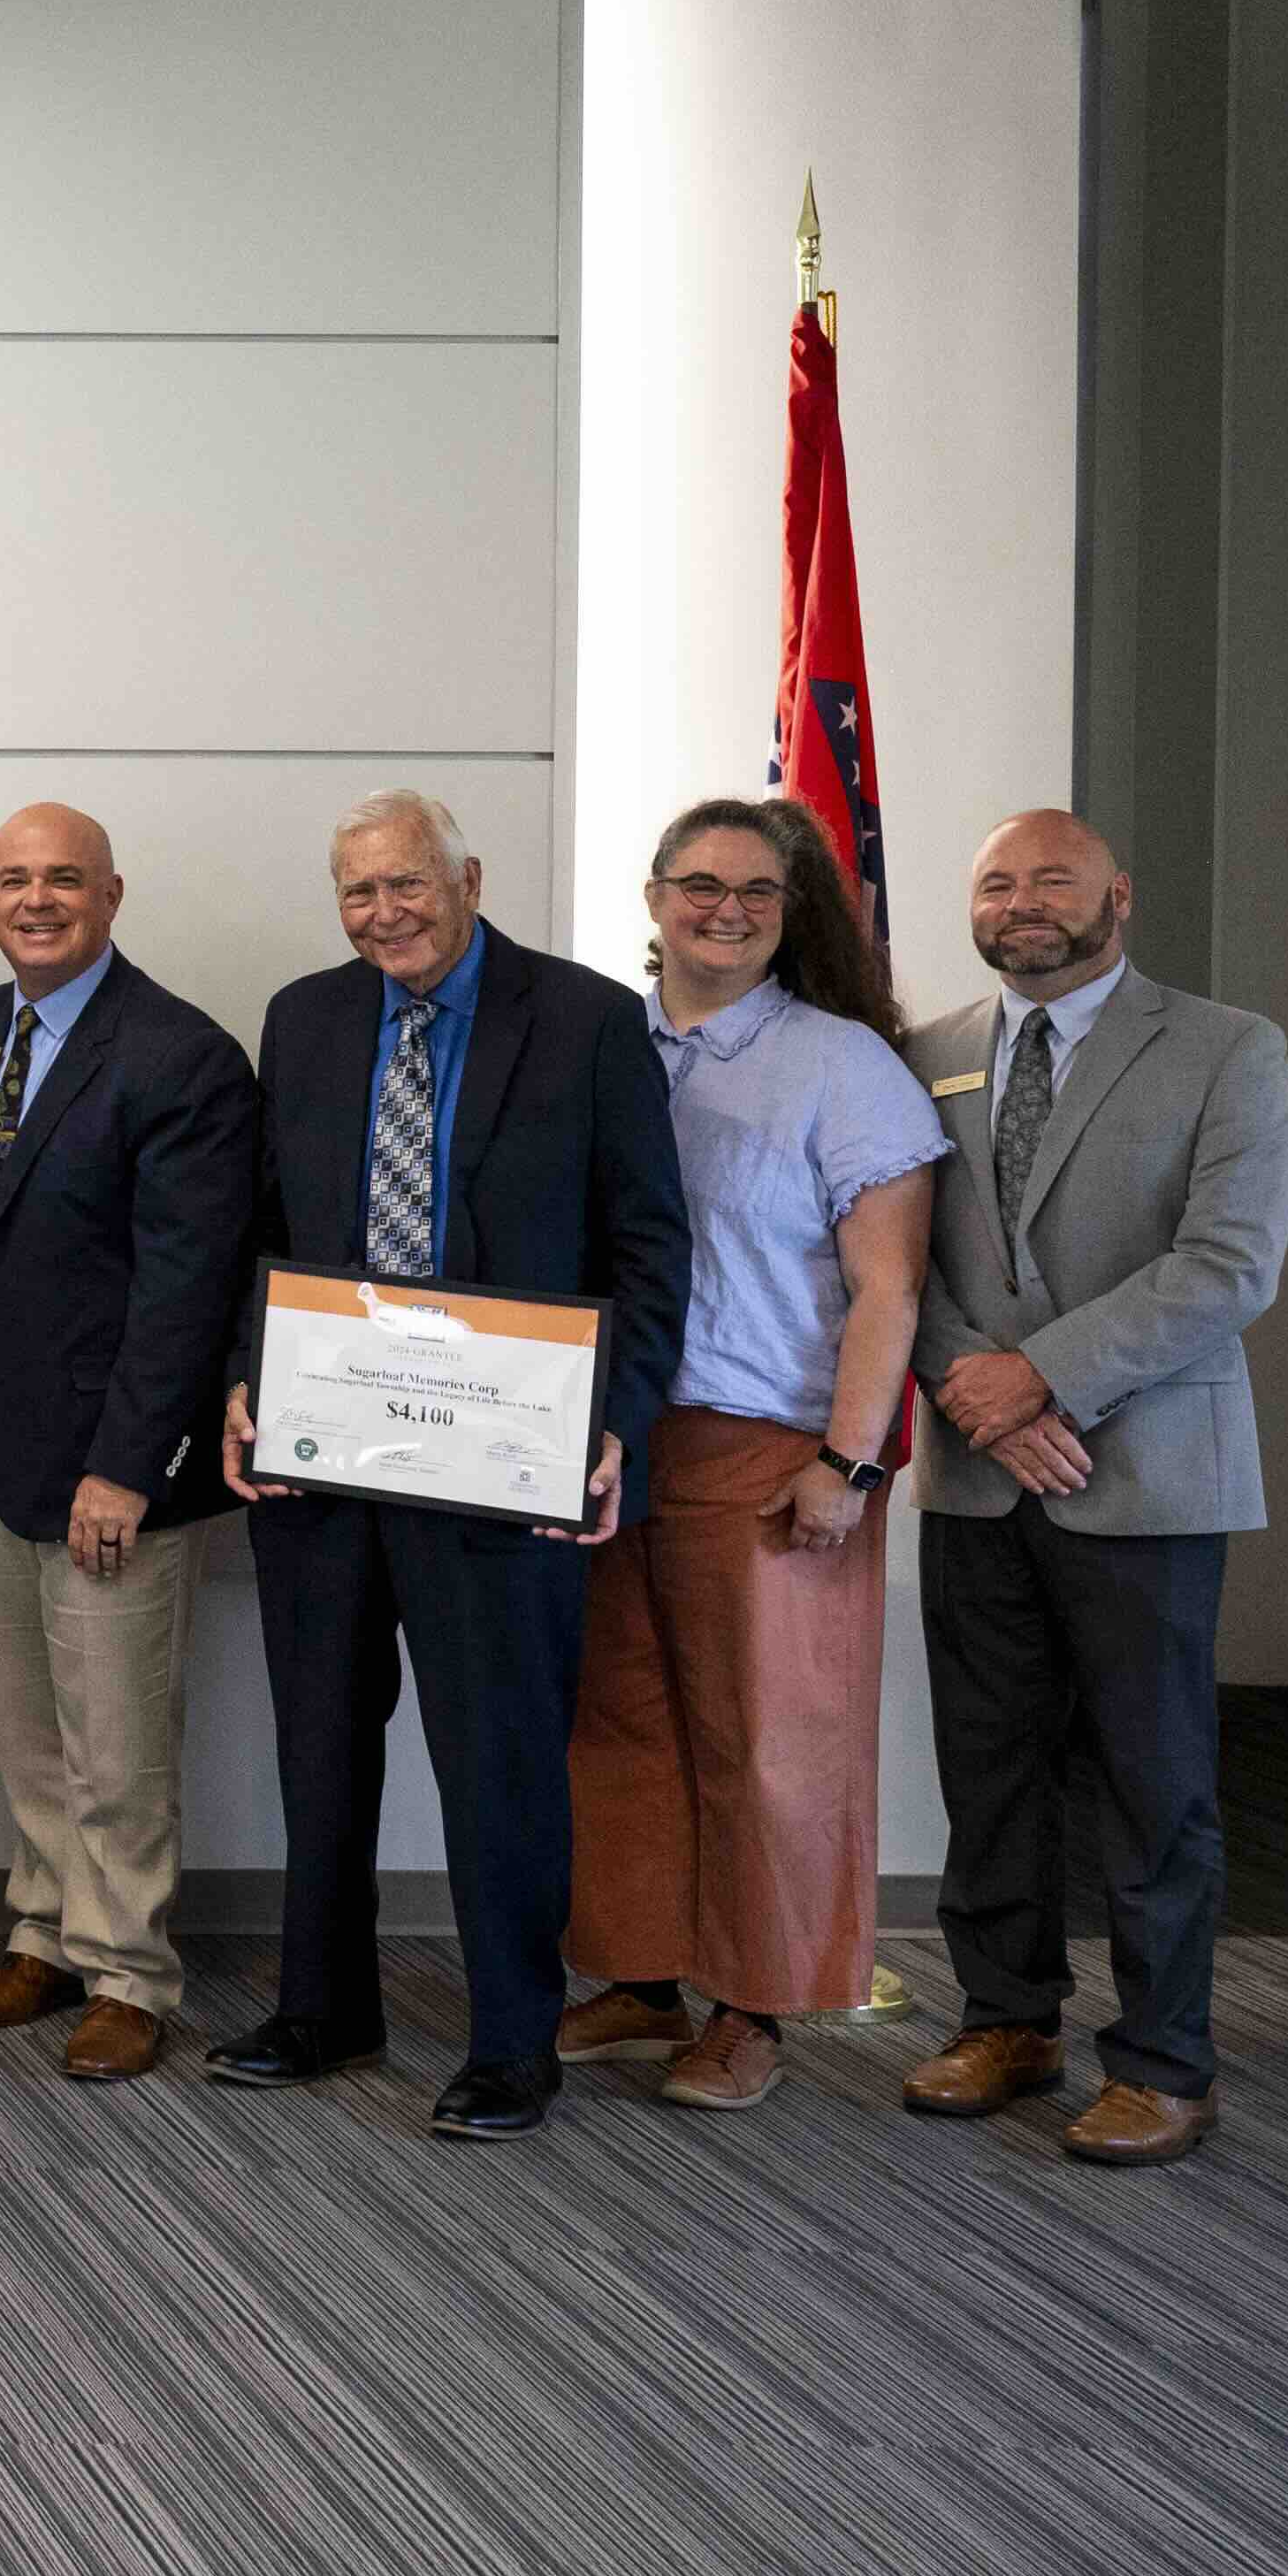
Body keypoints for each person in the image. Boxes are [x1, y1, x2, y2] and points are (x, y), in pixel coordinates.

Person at [213, 789, 687, 2141]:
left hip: (502, 1461)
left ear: (469, 877)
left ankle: (510, 2041)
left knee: (500, 1759)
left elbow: (652, 1251)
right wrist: (246, 1383)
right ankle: (324, 2007)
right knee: (320, 1744)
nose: (384, 915)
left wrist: (619, 1426)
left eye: (407, 886)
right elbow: (263, 1231)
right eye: (357, 892)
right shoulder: (304, 1019)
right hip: (322, 1457)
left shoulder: (589, 1021)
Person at [894, 809, 1288, 2167]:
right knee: (990, 1767)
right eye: (997, 883)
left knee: (1152, 1782)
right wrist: (978, 1391)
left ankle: (1165, 2059)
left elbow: (1229, 1263)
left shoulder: (1228, 1049)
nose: (1021, 903)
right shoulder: (927, 1054)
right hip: (976, 1471)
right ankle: (1007, 2020)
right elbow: (902, 1263)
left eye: (1050, 879)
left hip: (1148, 1475)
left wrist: (1046, 1379)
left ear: (1117, 897)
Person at [553, 799, 943, 2112]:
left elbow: (888, 1291)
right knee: (622, 1717)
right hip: (610, 1434)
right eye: (700, 885)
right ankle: (642, 1972)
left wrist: (852, 1460)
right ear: (653, 894)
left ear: (794, 912)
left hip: (768, 1442)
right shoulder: (602, 1042)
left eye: (758, 893)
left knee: (767, 1736)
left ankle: (755, 2005)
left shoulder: (845, 1065)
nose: (725, 909)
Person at [0, 802, 252, 2088]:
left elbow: (187, 1288)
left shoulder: (182, 1055)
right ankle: (48, 1932)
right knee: (27, 1719)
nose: (38, 900)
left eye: (65, 879)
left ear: (113, 895)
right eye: (15, 880)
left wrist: (129, 1462)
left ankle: (130, 1971)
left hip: (113, 1458)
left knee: (118, 1733)